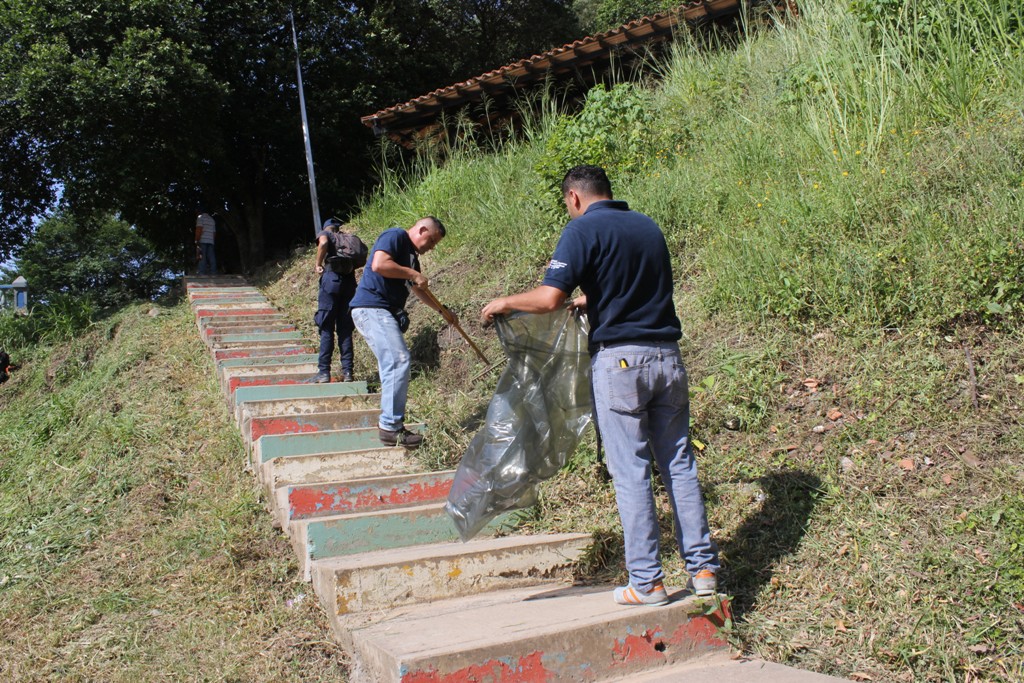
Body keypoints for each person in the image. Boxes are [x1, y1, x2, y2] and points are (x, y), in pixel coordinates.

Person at [480, 165, 720, 605]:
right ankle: (703, 570)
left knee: (630, 470)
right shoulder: (647, 226)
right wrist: (592, 297)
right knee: (679, 465)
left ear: (573, 197)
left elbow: (548, 297)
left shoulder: (582, 230)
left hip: (621, 363)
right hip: (668, 357)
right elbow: (639, 286)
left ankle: (647, 582)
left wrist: (504, 302)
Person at [349, 216, 452, 449]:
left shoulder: (412, 258)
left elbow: (419, 290)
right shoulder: (395, 236)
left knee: (393, 363)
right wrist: (413, 274)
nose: (431, 247)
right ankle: (390, 427)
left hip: (382, 312)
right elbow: (379, 264)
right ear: (422, 229)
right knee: (398, 360)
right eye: (432, 240)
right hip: (373, 308)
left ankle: (392, 425)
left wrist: (442, 310)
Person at [313, 218, 364, 383]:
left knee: (326, 325)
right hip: (349, 283)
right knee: (345, 329)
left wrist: (317, 264)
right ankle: (348, 372)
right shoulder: (348, 238)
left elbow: (322, 243)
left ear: (326, 228)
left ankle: (324, 372)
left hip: (331, 280)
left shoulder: (326, 234)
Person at [194, 211, 217, 275]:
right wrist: (212, 240)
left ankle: (201, 273)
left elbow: (199, 229)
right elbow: (214, 232)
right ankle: (213, 272)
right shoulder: (212, 219)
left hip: (203, 240)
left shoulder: (200, 218)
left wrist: (196, 240)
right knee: (211, 257)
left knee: (202, 257)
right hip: (211, 241)